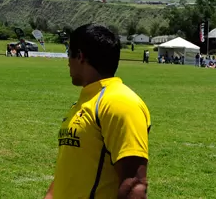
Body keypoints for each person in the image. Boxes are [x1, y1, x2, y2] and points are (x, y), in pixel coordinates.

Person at [45, 24, 149, 199]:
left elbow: (134, 186)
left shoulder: (119, 103)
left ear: (80, 56)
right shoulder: (86, 102)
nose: (67, 62)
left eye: (68, 54)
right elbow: (73, 167)